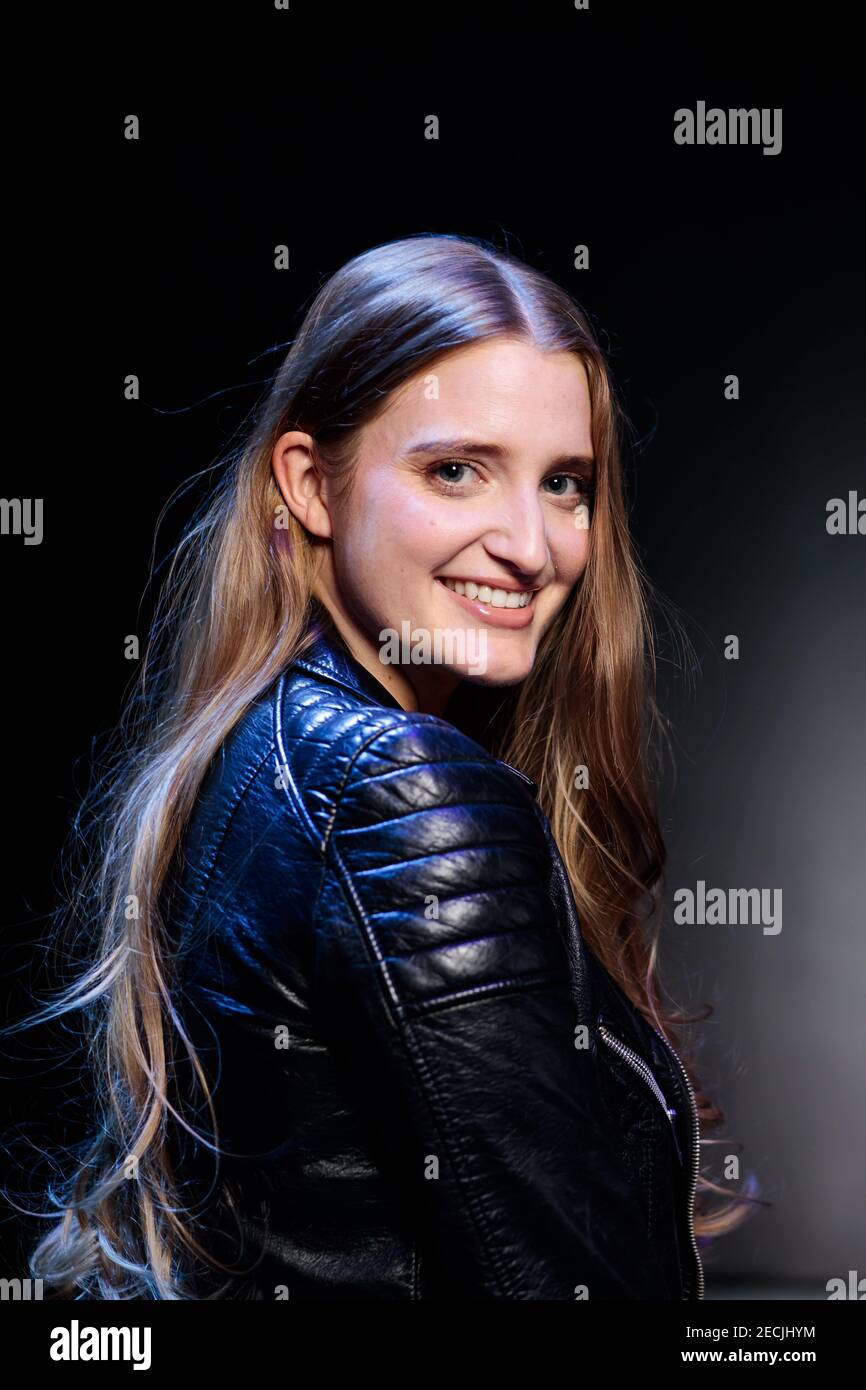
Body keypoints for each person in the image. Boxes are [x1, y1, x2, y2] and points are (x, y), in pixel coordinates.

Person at [10, 234, 756, 1299]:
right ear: (311, 486)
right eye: (456, 471)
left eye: (563, 484)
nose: (530, 546)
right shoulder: (398, 791)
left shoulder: (258, 747)